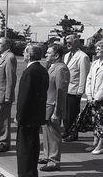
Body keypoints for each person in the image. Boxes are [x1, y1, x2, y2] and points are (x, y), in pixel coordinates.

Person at [16, 44, 49, 177]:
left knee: (25, 150)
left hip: (27, 118)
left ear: (29, 55)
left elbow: (24, 97)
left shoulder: (29, 71)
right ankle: (31, 172)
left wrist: (19, 117)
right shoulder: (42, 70)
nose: (23, 54)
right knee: (33, 147)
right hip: (36, 116)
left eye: (24, 52)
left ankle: (26, 174)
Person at [39, 43, 70, 171]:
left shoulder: (61, 69)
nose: (46, 54)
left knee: (54, 135)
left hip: (53, 107)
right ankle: (47, 155)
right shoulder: (52, 67)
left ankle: (54, 161)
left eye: (48, 52)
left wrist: (57, 112)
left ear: (56, 55)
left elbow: (60, 92)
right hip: (47, 106)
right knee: (46, 133)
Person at [63, 34, 90, 142]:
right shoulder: (66, 55)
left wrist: (80, 90)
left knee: (73, 114)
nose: (67, 44)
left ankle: (73, 133)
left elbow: (84, 74)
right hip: (65, 89)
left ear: (76, 42)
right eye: (66, 42)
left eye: (70, 42)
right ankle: (66, 130)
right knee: (65, 113)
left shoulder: (83, 57)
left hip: (74, 90)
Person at [85, 40, 103, 154]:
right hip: (93, 98)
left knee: (101, 122)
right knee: (95, 121)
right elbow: (89, 79)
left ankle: (100, 146)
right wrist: (89, 95)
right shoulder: (95, 63)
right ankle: (94, 143)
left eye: (99, 48)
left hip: (100, 99)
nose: (97, 50)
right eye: (96, 48)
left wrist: (97, 98)